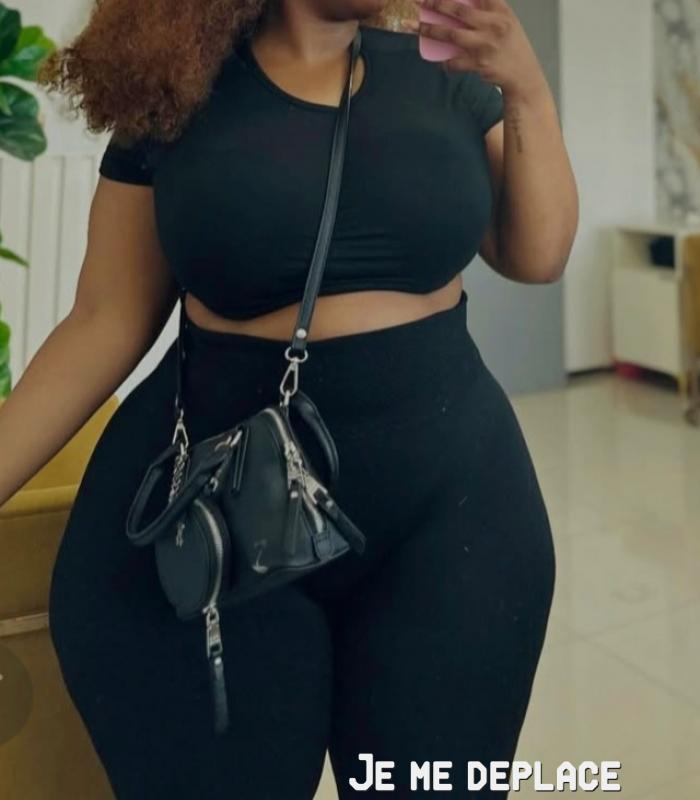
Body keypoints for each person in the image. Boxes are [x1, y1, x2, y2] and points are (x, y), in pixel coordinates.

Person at [0, 0, 578, 796]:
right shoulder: (173, 87)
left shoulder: (447, 75)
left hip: (453, 517)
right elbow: (106, 319)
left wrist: (527, 90)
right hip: (222, 524)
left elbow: (536, 253)